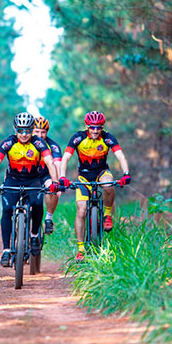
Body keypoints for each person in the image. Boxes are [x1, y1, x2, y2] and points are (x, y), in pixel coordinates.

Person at [0, 112, 61, 268]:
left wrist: (55, 181)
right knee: (6, 210)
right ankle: (6, 250)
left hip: (33, 180)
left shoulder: (39, 143)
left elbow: (49, 161)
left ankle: (33, 235)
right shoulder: (8, 142)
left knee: (37, 204)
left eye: (27, 130)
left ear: (32, 130)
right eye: (20, 130)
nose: (24, 134)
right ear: (15, 129)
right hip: (13, 179)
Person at [59, 111, 130, 262]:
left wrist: (126, 173)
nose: (96, 131)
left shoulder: (108, 138)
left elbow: (120, 155)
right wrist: (62, 177)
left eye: (99, 127)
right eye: (92, 127)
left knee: (108, 185)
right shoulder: (78, 137)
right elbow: (65, 157)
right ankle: (80, 249)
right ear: (87, 126)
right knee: (81, 210)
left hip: (102, 172)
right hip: (84, 176)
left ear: (102, 127)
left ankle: (107, 215)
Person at [32, 116, 62, 234]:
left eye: (43, 132)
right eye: (37, 131)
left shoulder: (53, 146)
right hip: (29, 176)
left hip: (46, 175)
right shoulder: (25, 142)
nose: (40, 135)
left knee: (52, 188)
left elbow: (57, 164)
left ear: (47, 132)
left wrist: (58, 183)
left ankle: (49, 218)